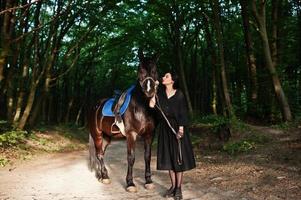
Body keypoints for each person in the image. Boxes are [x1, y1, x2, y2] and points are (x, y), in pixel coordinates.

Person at [149, 71, 196, 200]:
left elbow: (183, 112)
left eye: (166, 76)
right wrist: (155, 89)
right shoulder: (160, 94)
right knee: (169, 160)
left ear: (172, 81)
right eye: (164, 76)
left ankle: (179, 189)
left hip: (177, 129)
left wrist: (181, 129)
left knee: (178, 159)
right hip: (165, 129)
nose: (163, 78)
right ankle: (173, 187)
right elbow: (151, 105)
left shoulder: (179, 94)